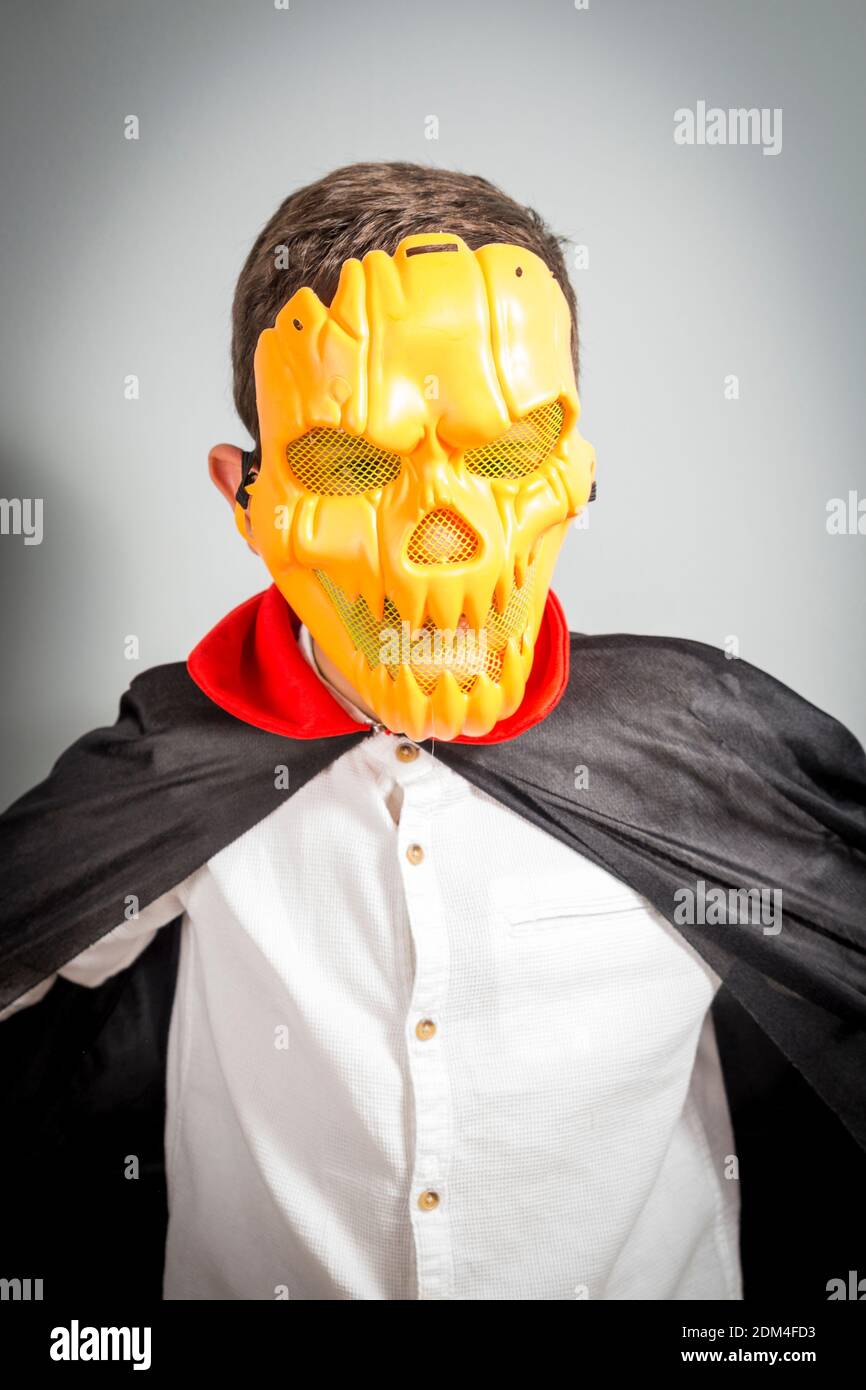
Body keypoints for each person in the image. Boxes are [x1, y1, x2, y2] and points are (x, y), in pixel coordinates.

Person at [1, 162, 864, 1303]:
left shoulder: (708, 751)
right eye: (351, 466)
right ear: (245, 499)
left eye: (506, 454)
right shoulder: (174, 765)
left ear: (575, 476)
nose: (436, 539)